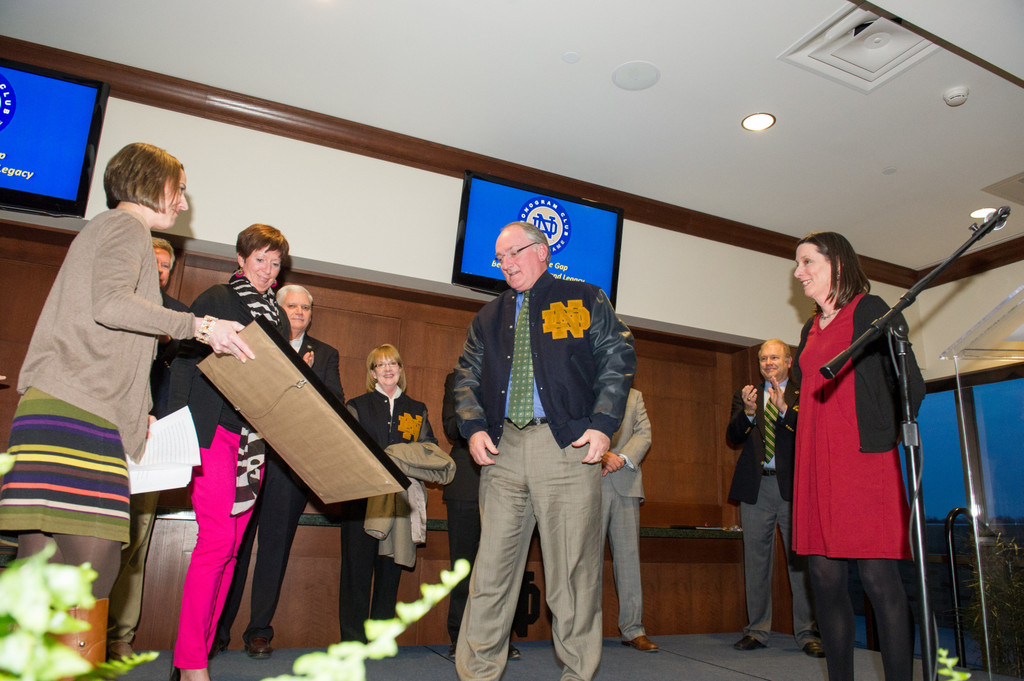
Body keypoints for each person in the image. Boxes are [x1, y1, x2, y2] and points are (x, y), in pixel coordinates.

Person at [0, 142, 252, 669]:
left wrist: (139, 411)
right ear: (149, 181)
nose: (182, 203)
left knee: (38, 567)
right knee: (92, 571)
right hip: (79, 415)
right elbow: (111, 304)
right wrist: (200, 326)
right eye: (178, 189)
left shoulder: (104, 228)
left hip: (63, 408)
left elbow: (110, 335)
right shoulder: (125, 227)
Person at [453, 221, 637, 681]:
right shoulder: (488, 318)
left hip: (567, 449)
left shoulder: (584, 298)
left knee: (573, 579)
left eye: (513, 252)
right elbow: (466, 378)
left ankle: (577, 674)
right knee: (490, 575)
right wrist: (473, 427)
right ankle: (477, 674)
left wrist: (602, 425)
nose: (506, 263)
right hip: (503, 452)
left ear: (542, 250)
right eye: (500, 258)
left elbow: (618, 357)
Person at [792, 231, 923, 681]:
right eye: (798, 264)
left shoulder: (870, 310)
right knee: (825, 582)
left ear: (838, 266)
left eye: (807, 262)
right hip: (816, 467)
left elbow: (909, 384)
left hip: (862, 463)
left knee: (878, 581)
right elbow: (804, 394)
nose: (798, 272)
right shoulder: (809, 328)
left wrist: (883, 435)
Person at [167, 224, 291, 681]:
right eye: (260, 259)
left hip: (254, 442)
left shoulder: (277, 316)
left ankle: (196, 654)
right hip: (213, 432)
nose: (267, 270)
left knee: (234, 550)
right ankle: (191, 662)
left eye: (275, 263)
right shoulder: (217, 299)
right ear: (241, 259)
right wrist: (173, 430)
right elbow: (182, 360)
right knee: (216, 541)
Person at [212, 284, 345, 659]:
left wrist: (305, 381)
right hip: (246, 460)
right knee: (233, 546)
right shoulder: (254, 340)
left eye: (305, 307)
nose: (299, 312)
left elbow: (335, 404)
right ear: (278, 307)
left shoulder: (325, 354)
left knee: (274, 551)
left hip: (289, 470)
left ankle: (259, 631)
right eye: (292, 305)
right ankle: (218, 628)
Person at [106, 237, 192, 661]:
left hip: (149, 447)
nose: (157, 271)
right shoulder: (112, 306)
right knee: (98, 540)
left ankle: (120, 634)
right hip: (103, 440)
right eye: (151, 262)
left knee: (135, 544)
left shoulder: (177, 317)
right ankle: (79, 629)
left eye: (163, 266)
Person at [339, 344, 452, 643]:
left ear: (401, 370)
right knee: (356, 573)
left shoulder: (417, 409)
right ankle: (351, 640)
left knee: (389, 572)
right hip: (360, 502)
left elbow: (429, 450)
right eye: (380, 365)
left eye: (393, 364)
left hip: (400, 500)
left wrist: (399, 455)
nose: (387, 369)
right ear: (372, 372)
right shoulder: (358, 405)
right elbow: (349, 448)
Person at [726, 339, 823, 657]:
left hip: (794, 489)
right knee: (755, 562)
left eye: (774, 357)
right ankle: (757, 630)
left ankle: (807, 632)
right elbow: (732, 437)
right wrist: (750, 414)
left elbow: (813, 432)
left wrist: (783, 410)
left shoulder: (803, 392)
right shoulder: (748, 394)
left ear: (789, 361)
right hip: (756, 489)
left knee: (800, 562)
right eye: (763, 358)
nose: (768, 363)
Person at [441, 370, 520, 661]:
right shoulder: (457, 379)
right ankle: (460, 637)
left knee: (502, 569)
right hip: (465, 484)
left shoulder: (515, 375)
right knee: (462, 568)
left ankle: (497, 641)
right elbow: (451, 426)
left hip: (510, 481)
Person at [600, 387, 657, 652]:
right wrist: (603, 456)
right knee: (585, 562)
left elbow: (644, 433)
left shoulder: (635, 396)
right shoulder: (583, 384)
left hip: (627, 483)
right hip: (589, 484)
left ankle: (633, 629)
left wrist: (620, 458)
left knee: (629, 561)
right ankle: (583, 631)